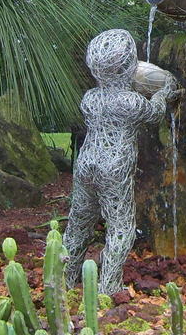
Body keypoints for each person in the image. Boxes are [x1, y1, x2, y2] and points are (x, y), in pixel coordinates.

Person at [62, 29, 177, 294]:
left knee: (79, 222)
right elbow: (155, 113)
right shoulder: (130, 101)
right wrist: (164, 92)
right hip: (113, 167)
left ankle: (65, 279)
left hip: (86, 163)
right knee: (121, 226)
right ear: (128, 66)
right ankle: (108, 286)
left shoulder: (90, 98)